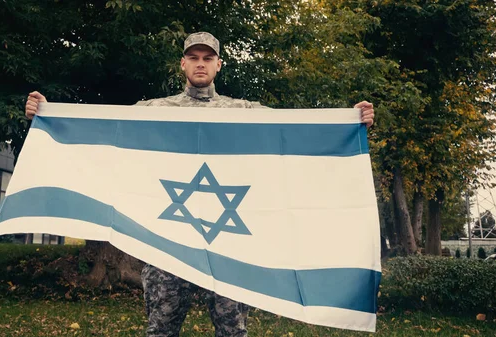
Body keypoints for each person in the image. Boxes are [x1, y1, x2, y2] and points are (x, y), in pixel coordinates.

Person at [25, 32, 375, 337]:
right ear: (182, 64)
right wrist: (48, 115)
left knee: (232, 330)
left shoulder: (244, 111)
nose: (200, 64)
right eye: (193, 57)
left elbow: (292, 136)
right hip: (167, 240)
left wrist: (348, 122)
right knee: (160, 329)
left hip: (229, 243)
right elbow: (106, 135)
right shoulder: (153, 110)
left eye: (208, 58)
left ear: (219, 64)